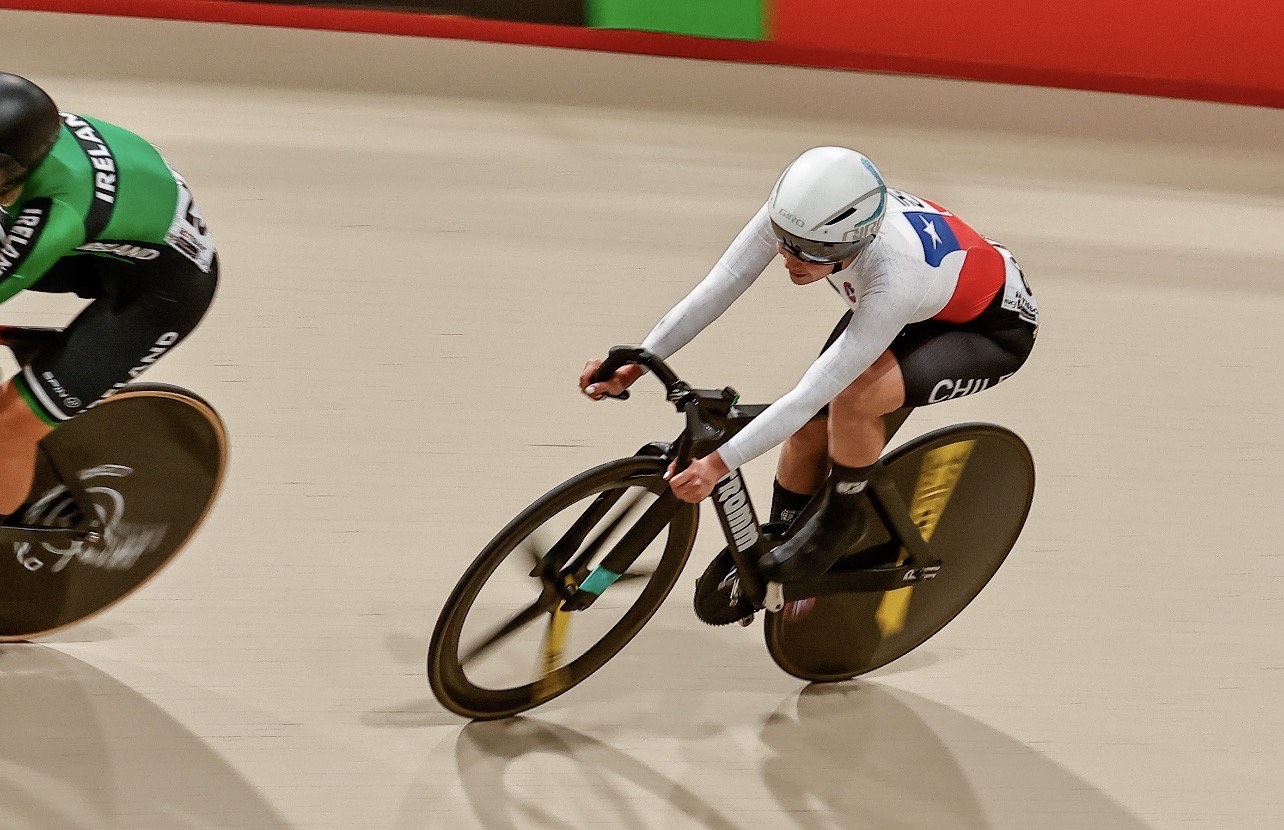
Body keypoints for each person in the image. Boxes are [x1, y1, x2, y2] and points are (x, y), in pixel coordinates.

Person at [579, 146, 1037, 583]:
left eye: (812, 252)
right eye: (786, 242)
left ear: (857, 241)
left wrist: (720, 464)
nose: (790, 259)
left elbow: (811, 392)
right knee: (807, 428)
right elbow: (722, 284)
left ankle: (841, 520)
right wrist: (640, 361)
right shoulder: (803, 213)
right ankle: (785, 530)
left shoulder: (894, 276)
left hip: (988, 330)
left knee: (850, 400)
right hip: (924, 299)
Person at [0, 72, 217, 518]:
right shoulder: (29, 136)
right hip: (110, 245)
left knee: (9, 428)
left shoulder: (57, 211)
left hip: (161, 293)